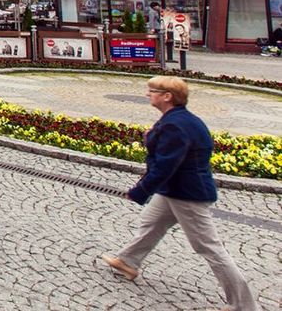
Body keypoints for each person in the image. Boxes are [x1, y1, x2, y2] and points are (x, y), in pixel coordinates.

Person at [101, 76, 258, 310]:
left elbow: (165, 166)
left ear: (167, 97)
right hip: (174, 189)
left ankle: (243, 305)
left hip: (187, 194)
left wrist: (140, 190)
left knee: (209, 247)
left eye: (153, 90)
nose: (148, 94)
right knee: (151, 224)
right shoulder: (182, 120)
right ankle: (127, 261)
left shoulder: (175, 125)